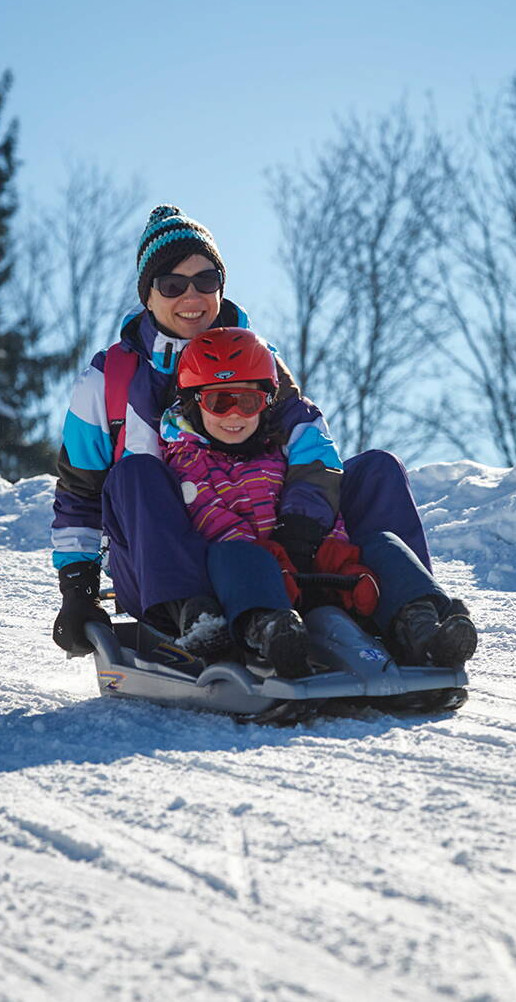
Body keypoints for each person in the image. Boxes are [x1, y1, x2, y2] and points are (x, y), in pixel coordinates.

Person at [48, 204, 437, 661]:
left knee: (377, 469)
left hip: (278, 544)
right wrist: (78, 591)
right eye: (172, 284)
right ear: (147, 296)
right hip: (171, 567)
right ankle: (201, 619)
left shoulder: (259, 361)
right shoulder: (106, 380)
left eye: (206, 280)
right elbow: (79, 493)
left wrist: (298, 532)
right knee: (136, 473)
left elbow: (311, 443)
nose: (191, 296)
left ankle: (414, 615)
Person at [158, 329, 477, 673]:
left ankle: (423, 629)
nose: (234, 414)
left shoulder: (282, 449)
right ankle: (271, 635)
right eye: (219, 402)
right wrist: (274, 559)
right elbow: (210, 518)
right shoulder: (189, 459)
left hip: (312, 564)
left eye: (247, 401)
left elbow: (324, 500)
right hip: (254, 579)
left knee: (382, 546)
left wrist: (324, 546)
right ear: (194, 403)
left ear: (266, 402)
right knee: (235, 554)